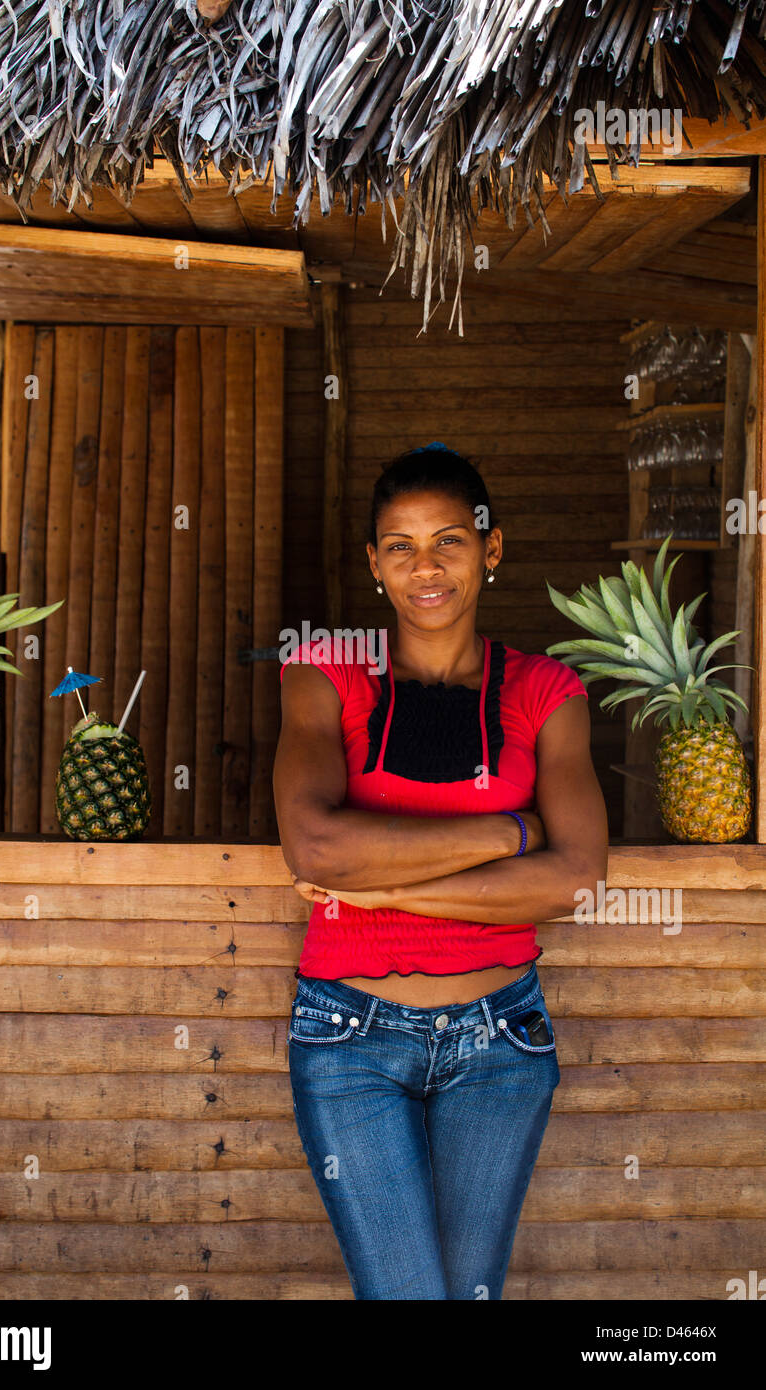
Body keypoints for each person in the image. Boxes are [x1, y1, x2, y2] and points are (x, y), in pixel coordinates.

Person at [273, 443, 608, 1299]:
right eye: (400, 546)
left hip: (502, 1044)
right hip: (349, 1042)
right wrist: (506, 830)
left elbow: (573, 880)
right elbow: (314, 847)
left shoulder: (545, 692)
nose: (426, 567)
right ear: (374, 564)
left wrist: (379, 887)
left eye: (449, 541)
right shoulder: (324, 674)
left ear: (491, 550)